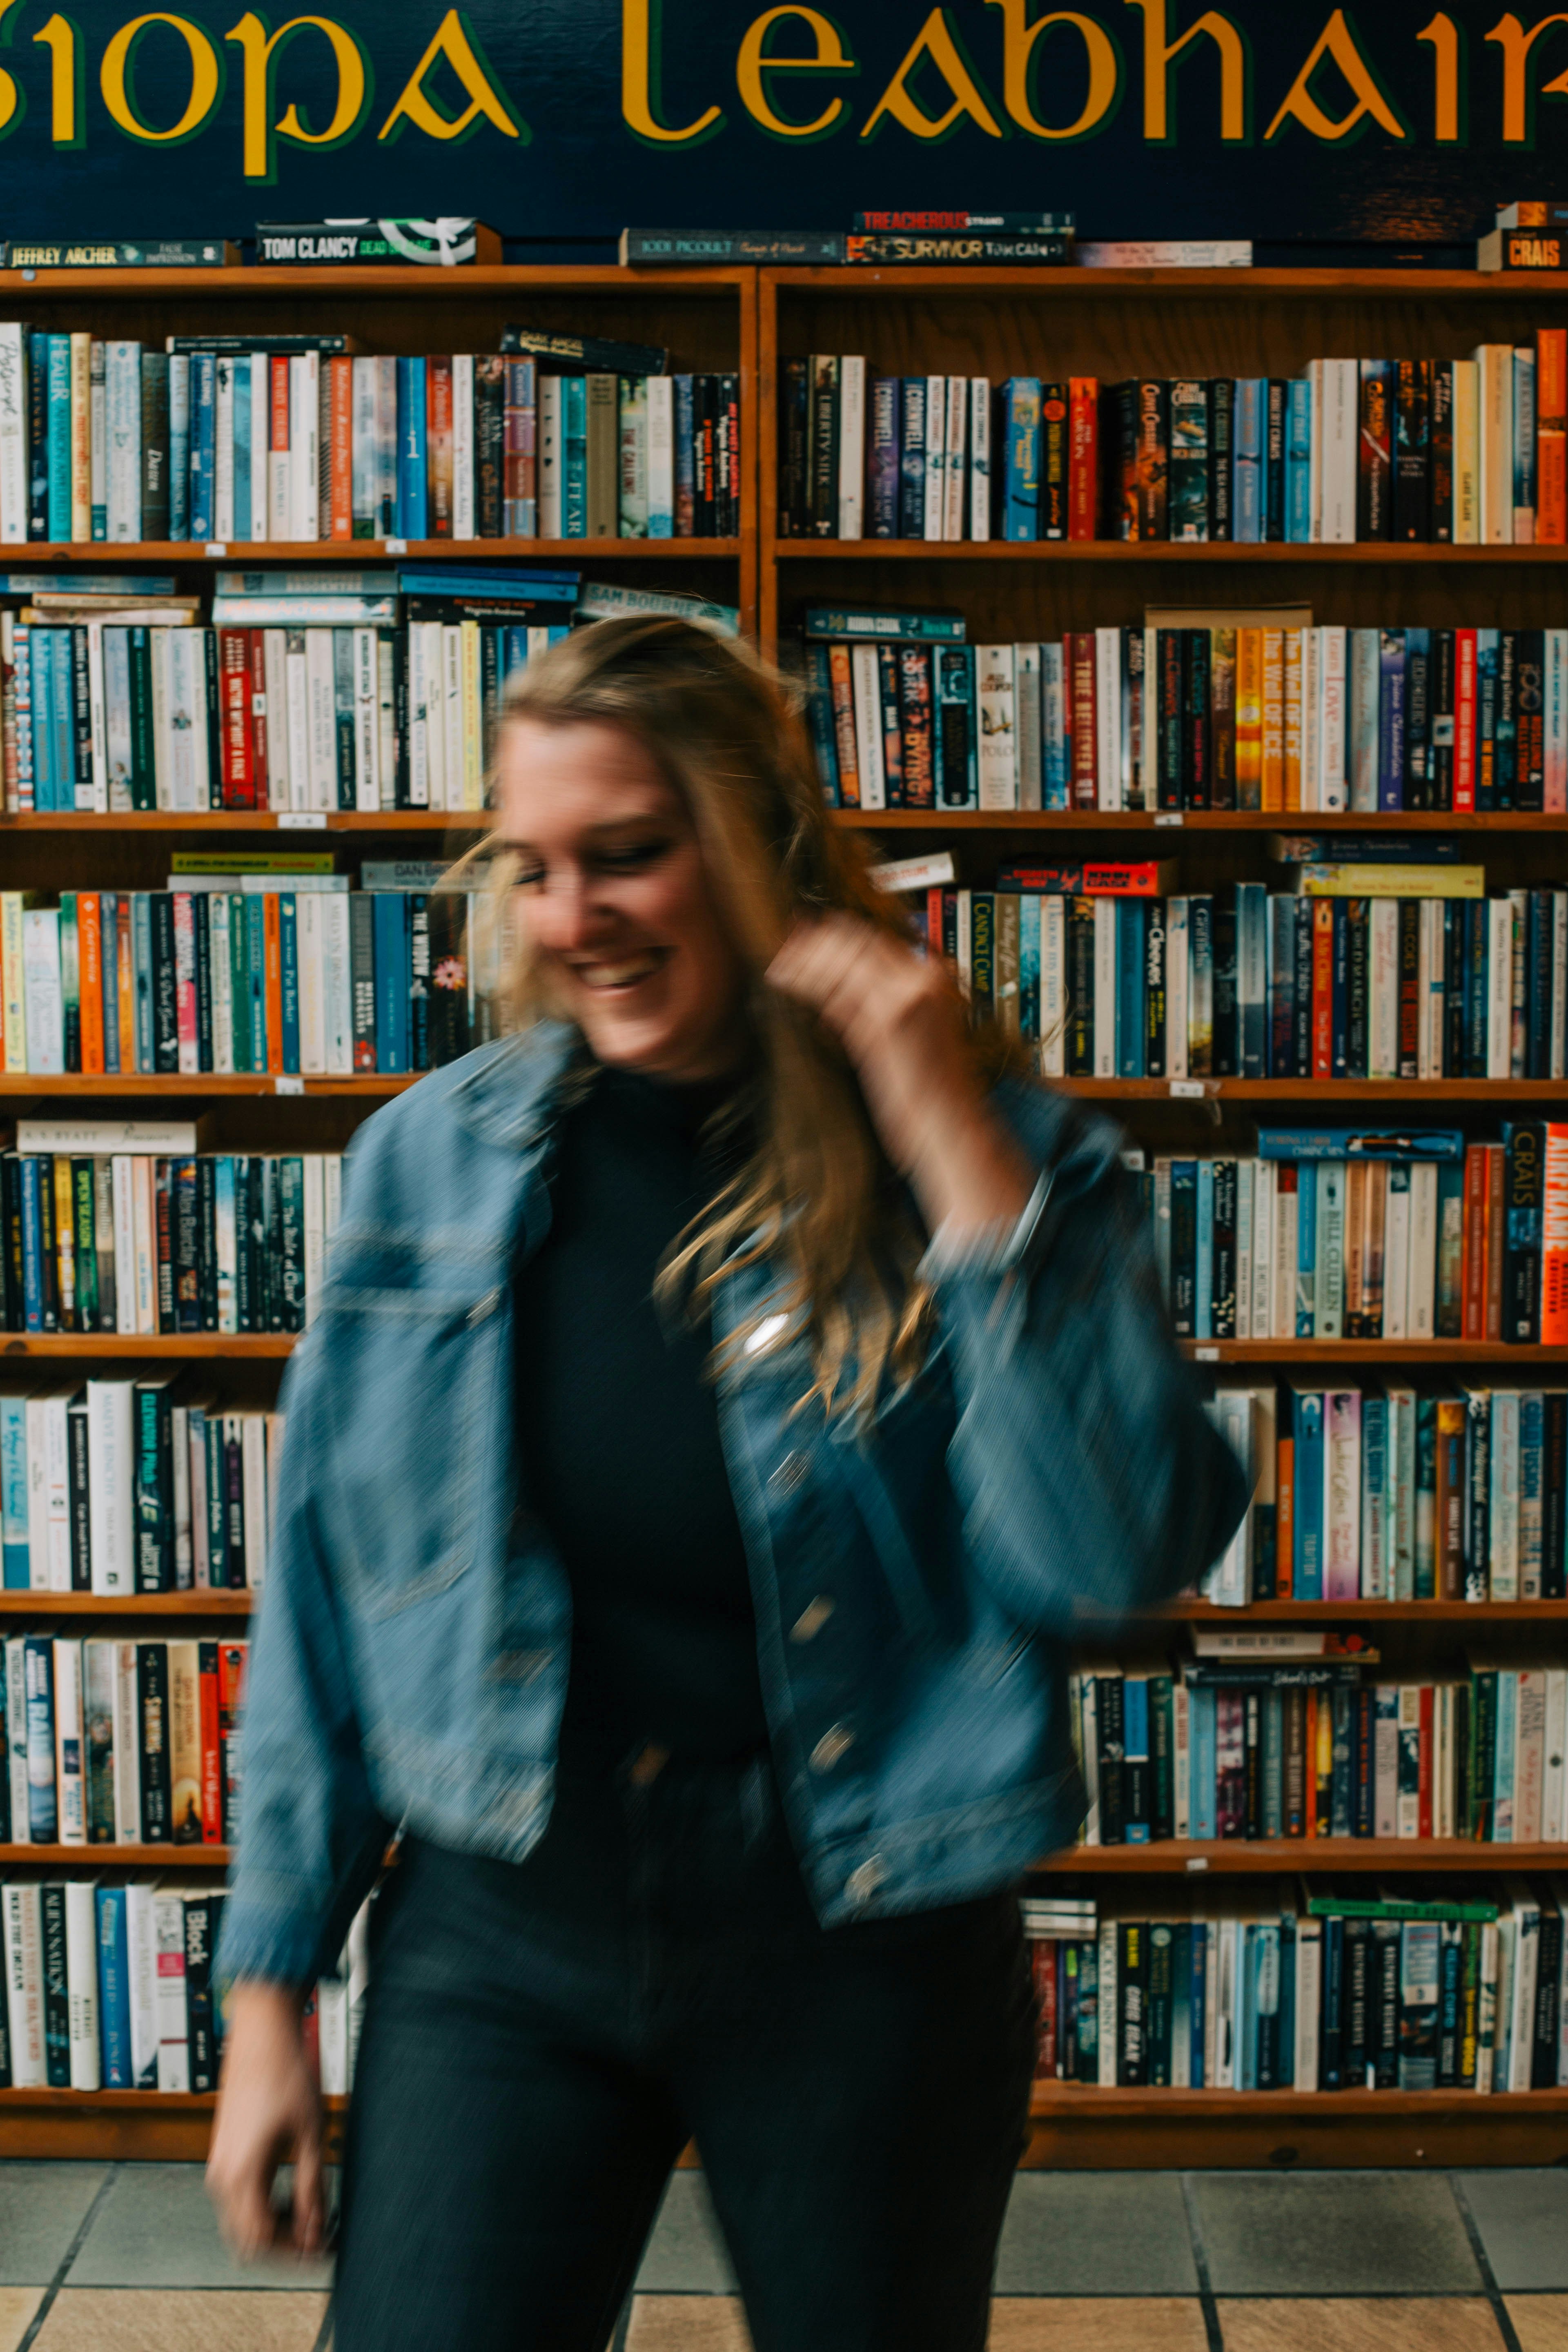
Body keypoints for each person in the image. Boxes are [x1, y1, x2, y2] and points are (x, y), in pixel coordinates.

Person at [207, 616, 1247, 2352]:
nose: (572, 920)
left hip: (867, 1928)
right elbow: (323, 1597)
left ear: (758, 842)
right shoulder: (430, 1165)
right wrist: (266, 2008)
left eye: (629, 854)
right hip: (506, 1915)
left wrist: (946, 1143)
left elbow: (1111, 1556)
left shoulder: (1010, 1156)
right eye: (532, 868)